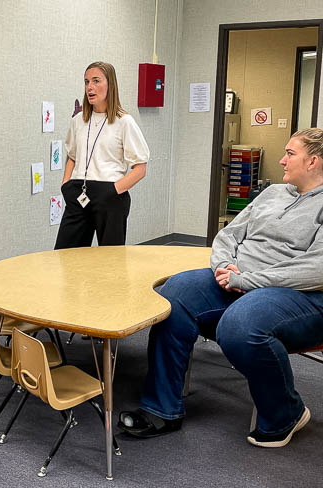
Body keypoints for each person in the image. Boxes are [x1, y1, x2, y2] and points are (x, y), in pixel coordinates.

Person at [118, 128, 323, 448]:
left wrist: (248, 280)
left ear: (313, 161)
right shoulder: (273, 193)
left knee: (240, 326)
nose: (281, 160)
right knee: (175, 293)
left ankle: (287, 413)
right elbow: (230, 234)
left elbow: (314, 269)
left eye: (290, 154)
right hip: (240, 279)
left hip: (298, 295)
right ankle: (162, 408)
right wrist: (224, 265)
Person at [54, 61, 149, 249]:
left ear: (110, 85)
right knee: (65, 255)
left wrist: (113, 191)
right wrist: (66, 184)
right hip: (78, 192)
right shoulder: (77, 122)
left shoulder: (124, 122)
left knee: (109, 261)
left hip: (110, 196)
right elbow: (72, 156)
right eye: (87, 81)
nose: (90, 87)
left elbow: (140, 168)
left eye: (96, 81)